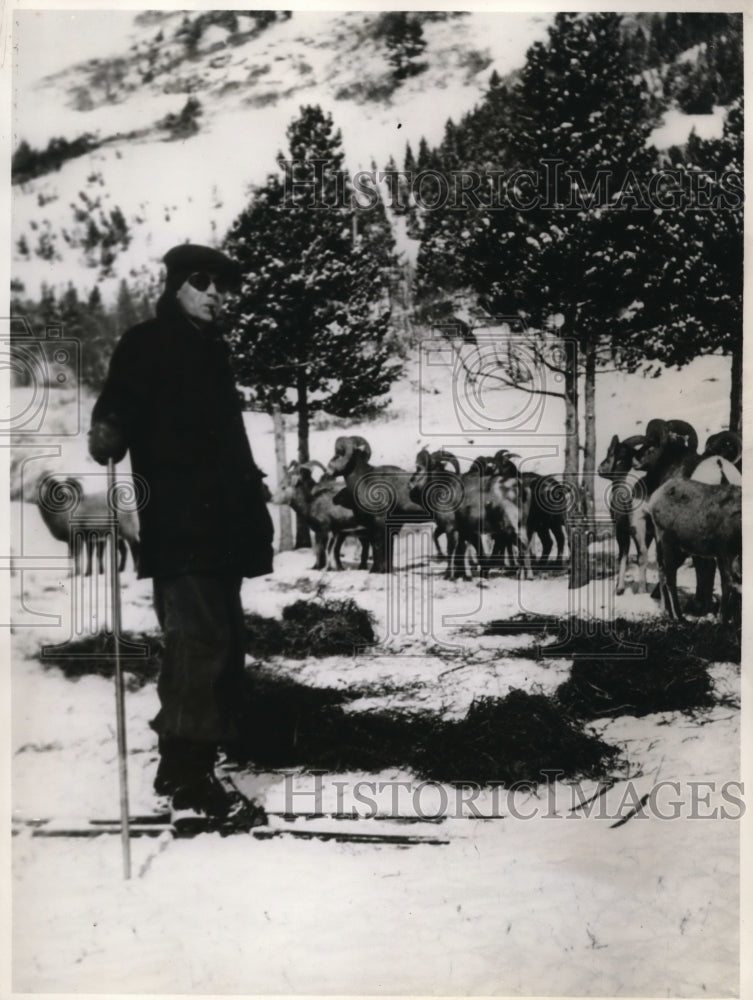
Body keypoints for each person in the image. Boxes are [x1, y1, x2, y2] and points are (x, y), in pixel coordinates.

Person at [89, 244, 274, 827]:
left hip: (222, 525)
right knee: (201, 645)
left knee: (218, 646)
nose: (217, 293)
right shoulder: (146, 342)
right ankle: (192, 781)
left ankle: (177, 764)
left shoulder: (212, 352)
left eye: (225, 285)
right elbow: (113, 414)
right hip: (180, 523)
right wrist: (109, 429)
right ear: (175, 286)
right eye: (203, 282)